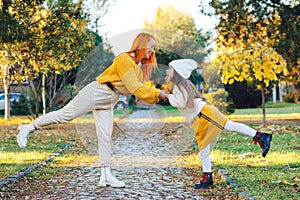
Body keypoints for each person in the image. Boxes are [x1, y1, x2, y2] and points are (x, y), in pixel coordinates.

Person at [17, 32, 169, 188]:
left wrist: (160, 95)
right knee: (64, 116)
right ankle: (28, 128)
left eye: (155, 48)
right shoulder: (125, 59)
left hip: (109, 100)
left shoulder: (139, 66)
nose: (153, 51)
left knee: (105, 136)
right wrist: (158, 93)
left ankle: (106, 175)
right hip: (98, 92)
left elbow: (138, 89)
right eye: (151, 47)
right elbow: (134, 87)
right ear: (142, 45)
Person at [164, 59, 272, 189]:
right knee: (204, 146)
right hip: (201, 115)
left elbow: (180, 102)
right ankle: (207, 176)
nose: (167, 71)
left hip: (204, 114)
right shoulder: (180, 85)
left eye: (170, 69)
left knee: (227, 126)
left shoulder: (178, 86)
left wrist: (167, 97)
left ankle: (260, 136)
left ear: (176, 72)